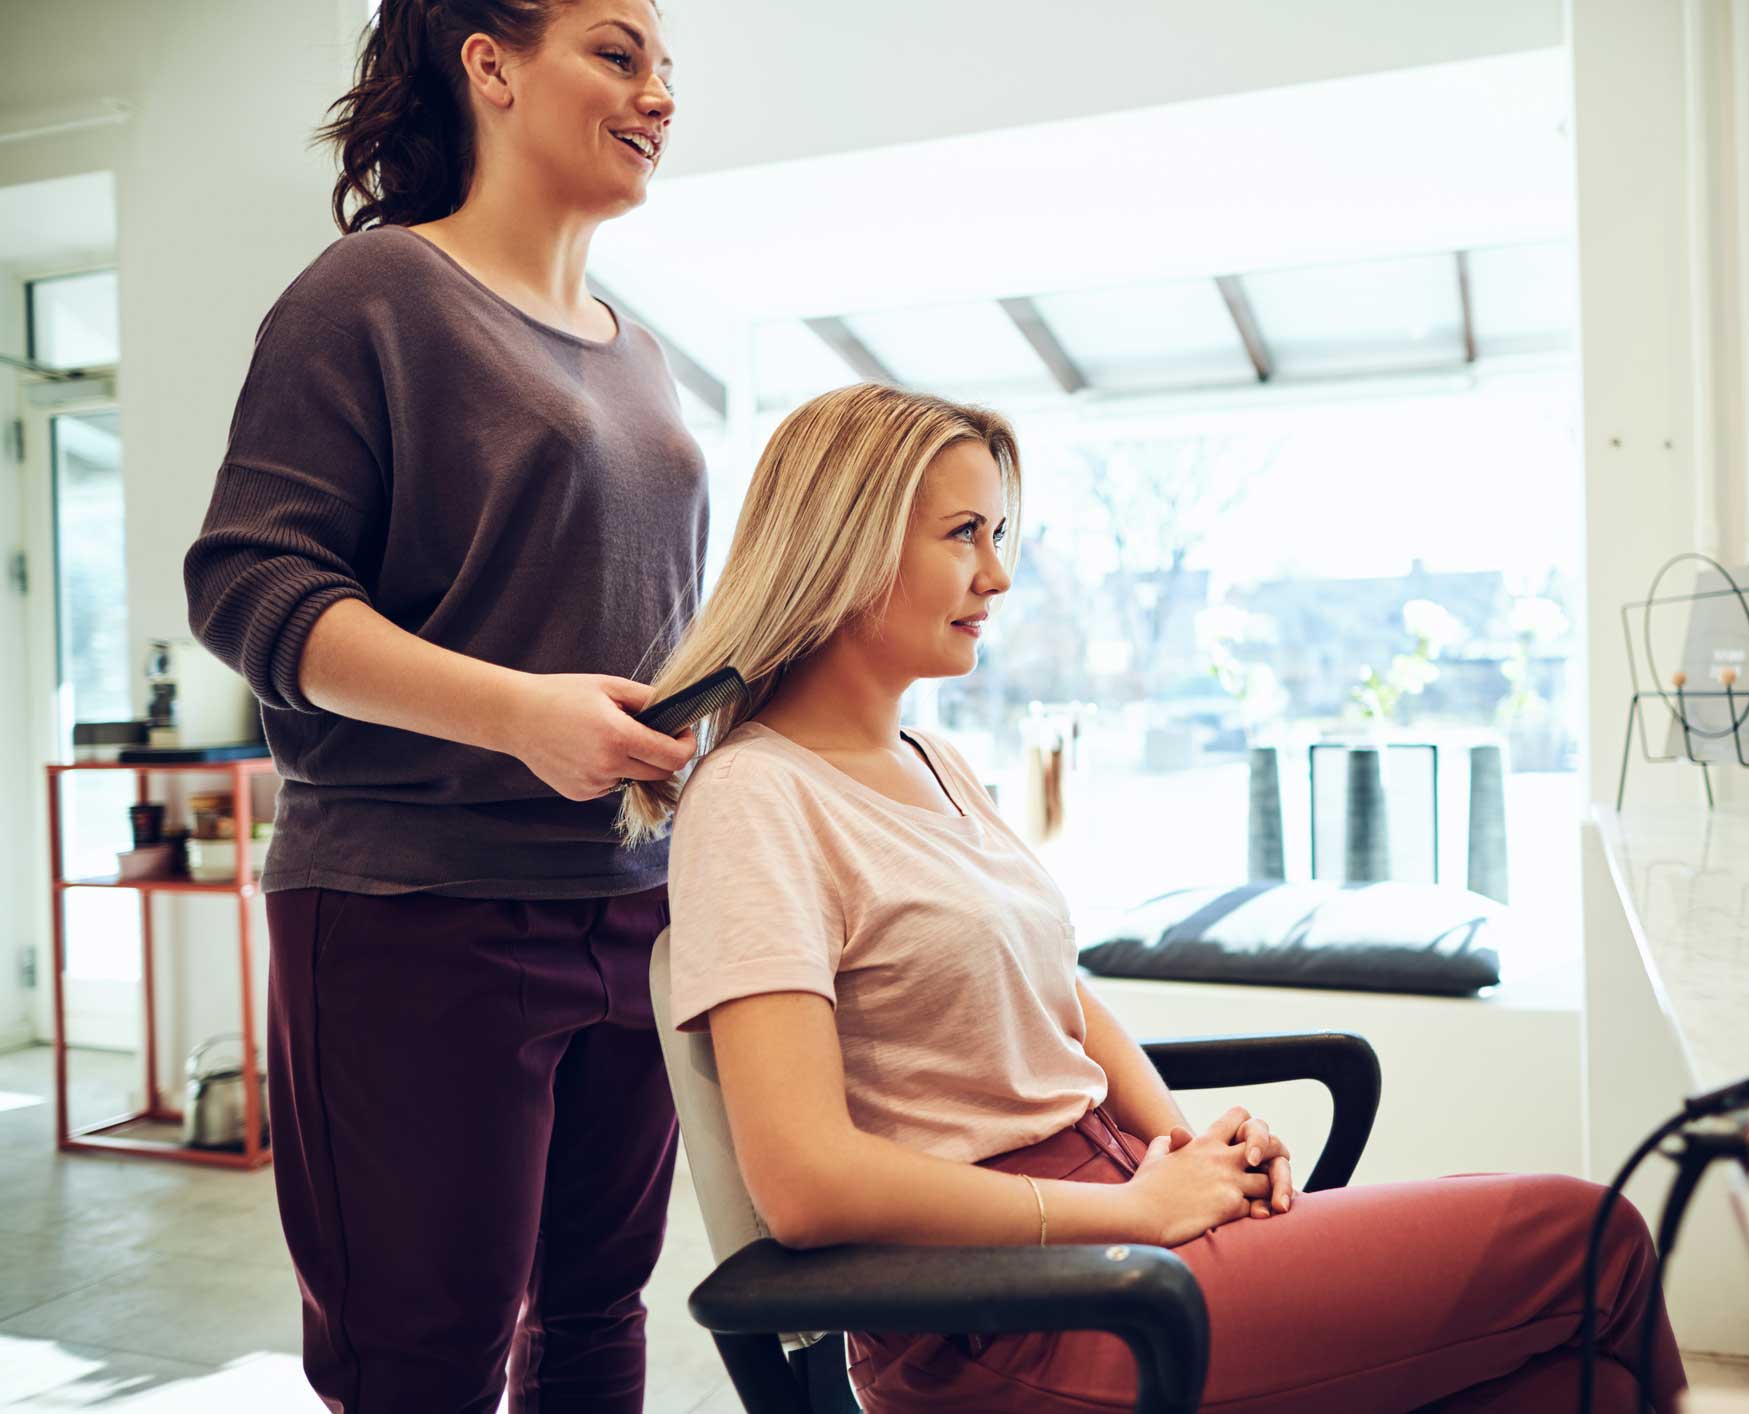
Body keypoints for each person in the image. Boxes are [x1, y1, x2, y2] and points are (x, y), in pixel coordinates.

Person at [634, 383, 1688, 1412]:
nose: (999, 575)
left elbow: (1067, 1000)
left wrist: (1184, 1156)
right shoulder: (756, 799)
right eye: (965, 533)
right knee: (1591, 1240)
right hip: (1009, 1310)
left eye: (1000, 534)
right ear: (845, 545)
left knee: (1576, 1384)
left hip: (1115, 1218)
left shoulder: (934, 758)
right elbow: (807, 1183)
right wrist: (1127, 1207)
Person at [182, 2, 699, 1408]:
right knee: (422, 1368)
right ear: (490, 65)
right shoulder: (371, 297)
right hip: (416, 914)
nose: (658, 92)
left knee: (597, 1320)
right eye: (616, 51)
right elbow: (251, 585)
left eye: (665, 65)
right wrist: (520, 714)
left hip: (634, 904)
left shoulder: (641, 351)